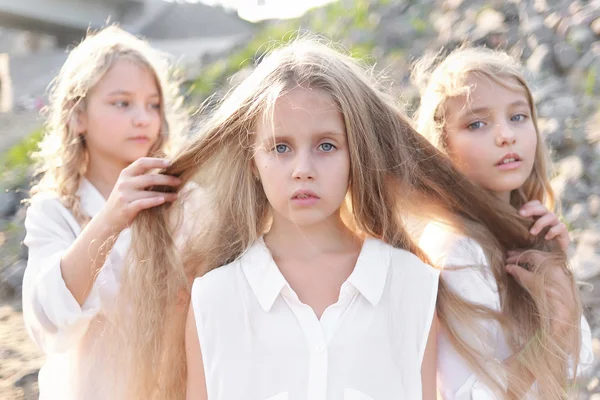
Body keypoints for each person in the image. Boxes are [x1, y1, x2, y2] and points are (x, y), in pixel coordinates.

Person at [413, 46, 593, 399]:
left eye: (518, 117)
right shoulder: (459, 251)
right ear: (443, 147)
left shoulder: (522, 231)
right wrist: (554, 326)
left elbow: (578, 363)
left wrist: (557, 274)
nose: (505, 135)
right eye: (477, 123)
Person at [22, 25, 190, 400]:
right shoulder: (54, 211)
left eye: (154, 105)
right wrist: (112, 216)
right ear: (78, 115)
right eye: (122, 102)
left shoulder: (180, 201)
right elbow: (49, 321)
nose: (143, 118)